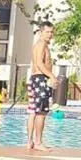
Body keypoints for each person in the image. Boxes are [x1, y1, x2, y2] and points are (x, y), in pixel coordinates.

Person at [26, 22, 55, 150]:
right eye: (47, 32)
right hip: (40, 80)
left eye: (51, 32)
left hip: (36, 79)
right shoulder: (42, 44)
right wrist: (52, 76)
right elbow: (39, 63)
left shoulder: (39, 44)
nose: (50, 34)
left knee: (33, 112)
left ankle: (30, 142)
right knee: (41, 112)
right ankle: (38, 142)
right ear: (41, 32)